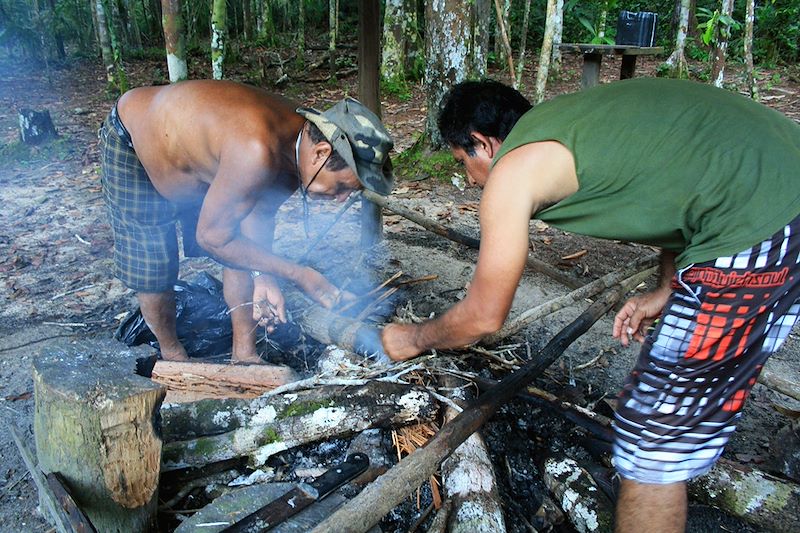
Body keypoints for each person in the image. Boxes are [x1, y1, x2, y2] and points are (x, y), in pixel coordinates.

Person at [381, 78, 800, 532]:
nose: (467, 178)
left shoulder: (513, 169)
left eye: (465, 161)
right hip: (779, 191)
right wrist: (667, 286)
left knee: (651, 438)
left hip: (760, 218)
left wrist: (412, 338)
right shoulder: (578, 125)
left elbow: (483, 316)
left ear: (483, 142)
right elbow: (676, 176)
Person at [99, 80, 393, 363]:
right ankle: (173, 355)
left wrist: (263, 276)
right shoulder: (256, 152)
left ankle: (244, 355)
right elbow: (213, 238)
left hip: (196, 160)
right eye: (342, 187)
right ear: (321, 153)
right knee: (154, 263)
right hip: (133, 139)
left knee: (239, 247)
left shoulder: (297, 146)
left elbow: (253, 228)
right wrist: (297, 274)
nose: (341, 199)